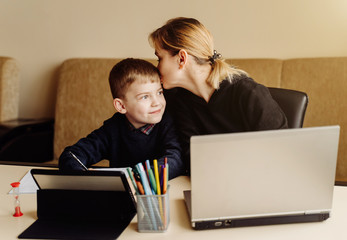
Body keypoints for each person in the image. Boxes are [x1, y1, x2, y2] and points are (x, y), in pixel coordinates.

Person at [149, 17, 288, 173]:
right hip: (213, 183)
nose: (157, 67)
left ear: (182, 58)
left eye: (159, 58)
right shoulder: (178, 99)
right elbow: (191, 158)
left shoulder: (248, 93)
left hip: (259, 180)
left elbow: (280, 152)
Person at [59, 58, 184, 179]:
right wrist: (80, 175)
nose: (157, 103)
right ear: (121, 106)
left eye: (159, 93)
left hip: (158, 195)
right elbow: (72, 155)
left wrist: (139, 177)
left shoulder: (167, 123)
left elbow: (175, 159)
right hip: (122, 196)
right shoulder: (112, 129)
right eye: (145, 97)